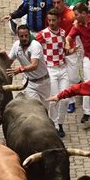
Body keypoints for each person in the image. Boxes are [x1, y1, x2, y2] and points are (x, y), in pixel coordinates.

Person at [36, 9, 70, 137]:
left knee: (65, 99)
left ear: (59, 20)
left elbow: (63, 50)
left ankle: (60, 122)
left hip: (63, 68)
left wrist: (70, 50)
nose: (51, 23)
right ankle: (55, 125)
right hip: (50, 70)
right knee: (53, 99)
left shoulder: (62, 33)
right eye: (49, 20)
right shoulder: (43, 34)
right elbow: (33, 45)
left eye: (53, 20)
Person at [0, 25, 50, 106]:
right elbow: (9, 62)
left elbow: (34, 65)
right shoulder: (16, 46)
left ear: (29, 34)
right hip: (29, 84)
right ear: (18, 36)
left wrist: (20, 69)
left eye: (26, 35)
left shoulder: (35, 45)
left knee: (45, 109)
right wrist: (4, 55)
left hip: (44, 82)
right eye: (21, 36)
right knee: (34, 107)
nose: (24, 38)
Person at [51, 0, 79, 114]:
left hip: (72, 51)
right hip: (58, 53)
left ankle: (80, 83)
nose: (56, 5)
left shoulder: (71, 15)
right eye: (54, 3)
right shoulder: (52, 15)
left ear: (63, 1)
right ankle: (70, 102)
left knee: (73, 77)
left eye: (59, 2)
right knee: (65, 78)